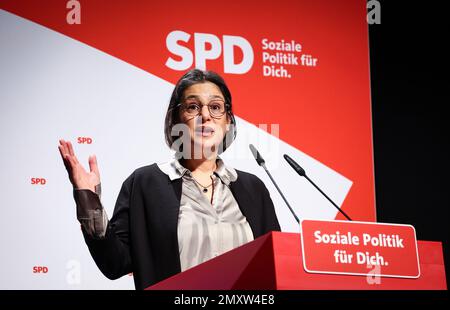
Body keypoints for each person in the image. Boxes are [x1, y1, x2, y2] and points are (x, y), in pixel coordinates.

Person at [58, 69, 280, 290]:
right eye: (193, 107)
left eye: (215, 107)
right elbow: (115, 263)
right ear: (176, 120)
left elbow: (276, 265)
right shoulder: (145, 183)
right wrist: (89, 202)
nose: (206, 115)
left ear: (228, 121)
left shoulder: (253, 189)